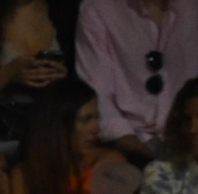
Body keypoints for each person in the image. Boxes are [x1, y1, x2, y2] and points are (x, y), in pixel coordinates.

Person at [75, 0, 198, 165]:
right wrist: (141, 154)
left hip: (188, 136)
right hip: (130, 144)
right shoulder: (98, 8)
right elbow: (98, 97)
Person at [0, 0, 67, 155]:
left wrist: (63, 79)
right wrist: (8, 73)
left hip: (51, 135)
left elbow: (83, 95)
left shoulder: (64, 13)